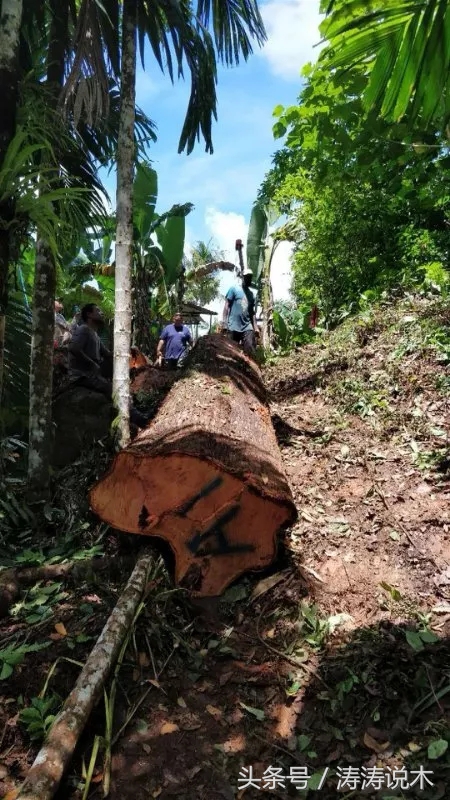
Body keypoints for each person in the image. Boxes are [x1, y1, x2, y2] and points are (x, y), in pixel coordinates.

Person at [68, 303, 149, 429]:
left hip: (92, 373)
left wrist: (126, 350)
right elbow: (73, 348)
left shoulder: (94, 334)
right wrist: (92, 363)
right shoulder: (83, 329)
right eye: (98, 310)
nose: (101, 313)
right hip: (82, 375)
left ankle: (135, 412)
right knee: (115, 390)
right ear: (89, 314)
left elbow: (107, 354)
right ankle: (138, 418)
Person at [223, 268, 258, 357]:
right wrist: (224, 323)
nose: (248, 279)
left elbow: (252, 312)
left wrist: (255, 327)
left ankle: (249, 369)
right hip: (233, 326)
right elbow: (227, 306)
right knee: (231, 351)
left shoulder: (251, 294)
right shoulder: (234, 289)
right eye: (246, 277)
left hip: (247, 326)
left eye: (250, 277)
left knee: (250, 348)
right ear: (242, 277)